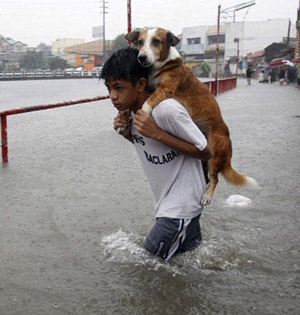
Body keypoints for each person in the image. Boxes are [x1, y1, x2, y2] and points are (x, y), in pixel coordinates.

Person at [100, 47, 211, 261]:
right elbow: (153, 147)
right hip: (172, 207)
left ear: (141, 84)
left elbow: (205, 151)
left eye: (118, 87)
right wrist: (127, 133)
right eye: (109, 88)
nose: (112, 96)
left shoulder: (166, 110)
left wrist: (157, 133)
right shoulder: (134, 113)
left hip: (179, 210)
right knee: (189, 268)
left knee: (145, 270)